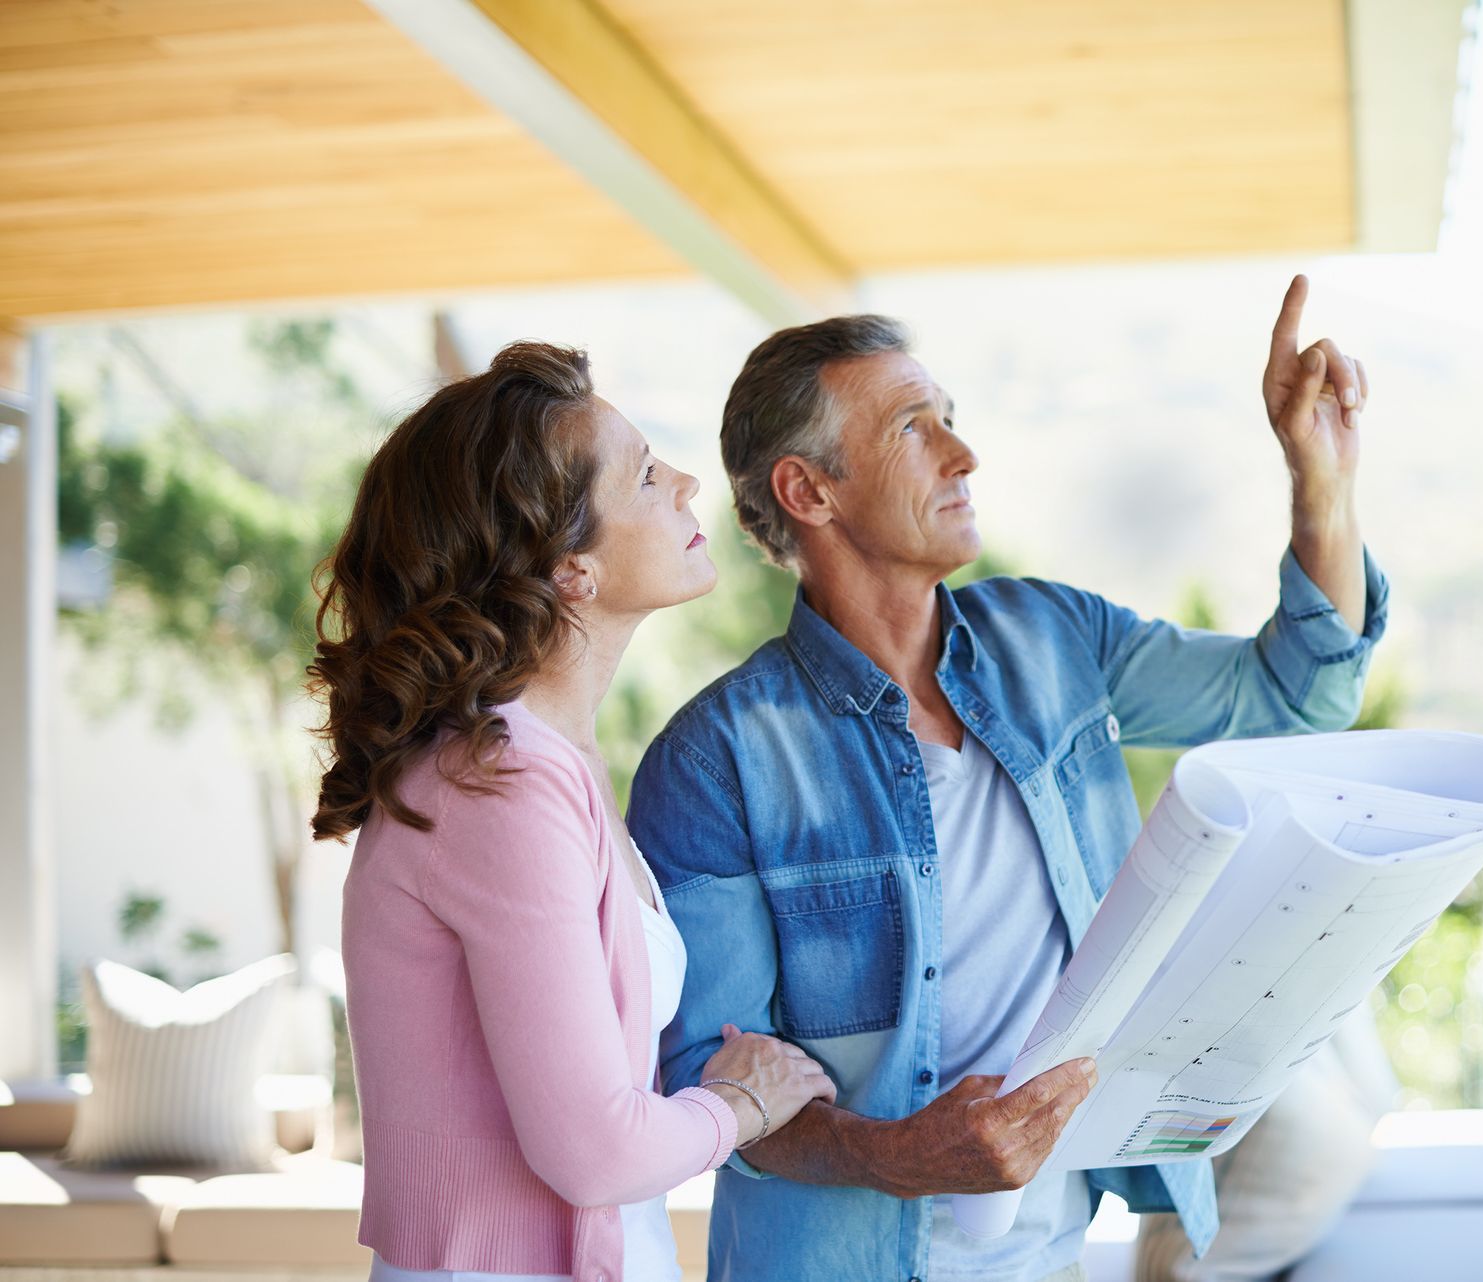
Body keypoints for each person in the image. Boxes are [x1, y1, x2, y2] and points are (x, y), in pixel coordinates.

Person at [629, 276, 1390, 1282]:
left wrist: (1319, 480)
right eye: (913, 428)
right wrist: (898, 1157)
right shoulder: (713, 760)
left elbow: (1297, 695)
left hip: (1051, 1253)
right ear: (809, 492)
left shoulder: (1053, 639)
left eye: (951, 418)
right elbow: (706, 1085)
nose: (963, 453)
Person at [311, 342, 835, 1282]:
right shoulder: (499, 785)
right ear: (569, 571)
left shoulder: (545, 765)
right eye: (642, 474)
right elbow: (595, 1151)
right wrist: (746, 1105)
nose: (683, 483)